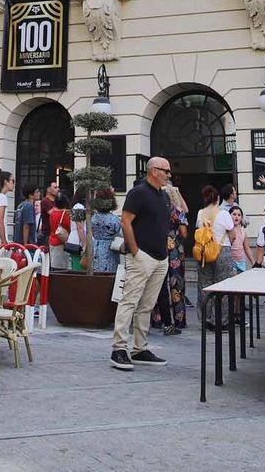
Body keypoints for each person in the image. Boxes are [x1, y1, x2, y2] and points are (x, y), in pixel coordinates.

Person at [111, 157, 174, 371]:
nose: (168, 175)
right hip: (142, 256)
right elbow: (125, 220)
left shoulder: (164, 196)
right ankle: (119, 348)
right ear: (154, 171)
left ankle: (139, 348)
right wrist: (135, 250)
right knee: (130, 300)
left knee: (147, 305)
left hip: (160, 258)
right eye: (165, 171)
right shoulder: (138, 193)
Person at [195, 185, 236, 328]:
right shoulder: (224, 214)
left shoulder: (200, 213)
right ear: (218, 198)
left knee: (205, 286)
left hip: (204, 252)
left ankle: (205, 319)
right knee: (223, 287)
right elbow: (232, 234)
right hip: (221, 250)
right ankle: (221, 321)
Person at [151, 184, 189, 335]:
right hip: (175, 250)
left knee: (158, 284)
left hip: (158, 246)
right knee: (177, 285)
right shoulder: (178, 211)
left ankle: (157, 318)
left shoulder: (157, 211)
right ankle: (179, 319)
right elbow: (185, 233)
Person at [89, 188, 122, 273]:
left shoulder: (93, 217)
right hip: (109, 247)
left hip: (96, 246)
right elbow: (119, 231)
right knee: (110, 271)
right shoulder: (113, 218)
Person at [46, 193, 72, 270]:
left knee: (54, 265)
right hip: (62, 243)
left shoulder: (52, 213)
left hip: (52, 241)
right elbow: (69, 228)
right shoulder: (66, 214)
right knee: (62, 267)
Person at [227, 205, 250, 273]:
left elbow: (247, 248)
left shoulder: (243, 231)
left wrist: (253, 261)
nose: (236, 216)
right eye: (234, 214)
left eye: (239, 215)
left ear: (241, 217)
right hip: (231, 261)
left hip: (241, 261)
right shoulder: (228, 230)